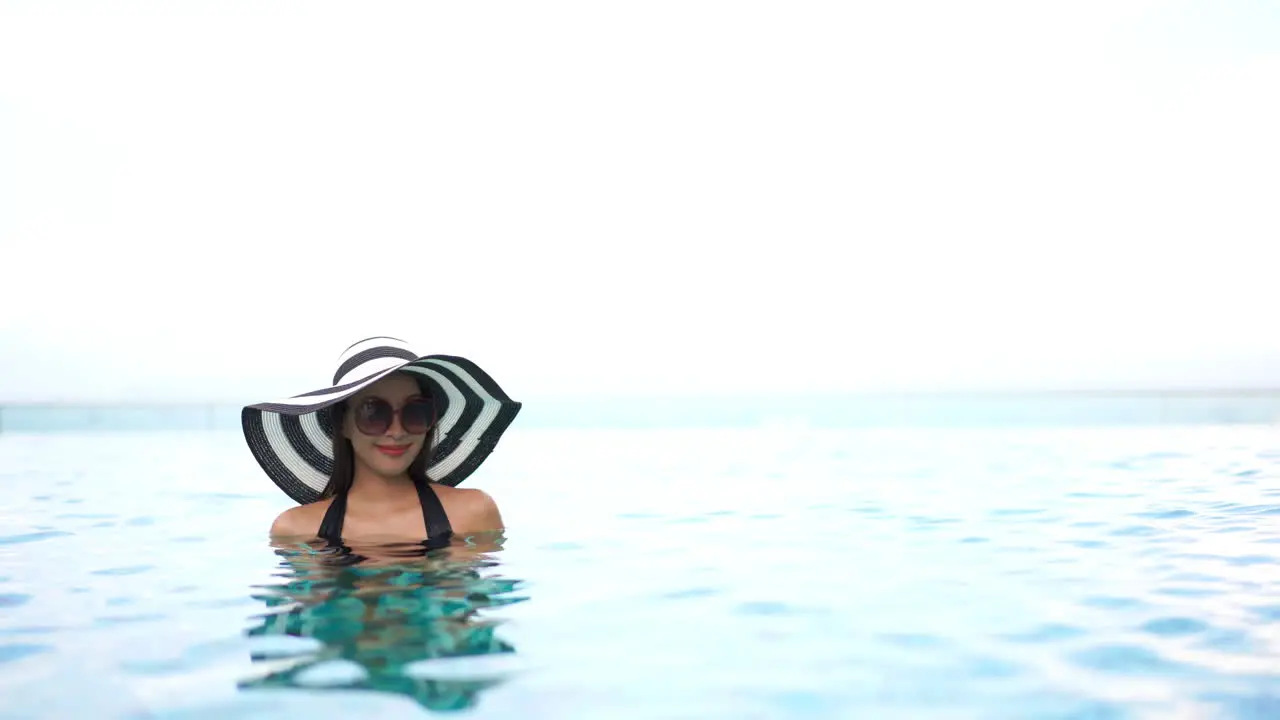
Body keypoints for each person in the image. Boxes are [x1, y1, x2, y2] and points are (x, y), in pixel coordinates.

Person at [240, 336, 522, 548]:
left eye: (415, 412)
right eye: (374, 413)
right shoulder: (297, 529)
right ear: (343, 424)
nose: (396, 431)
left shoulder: (473, 512)